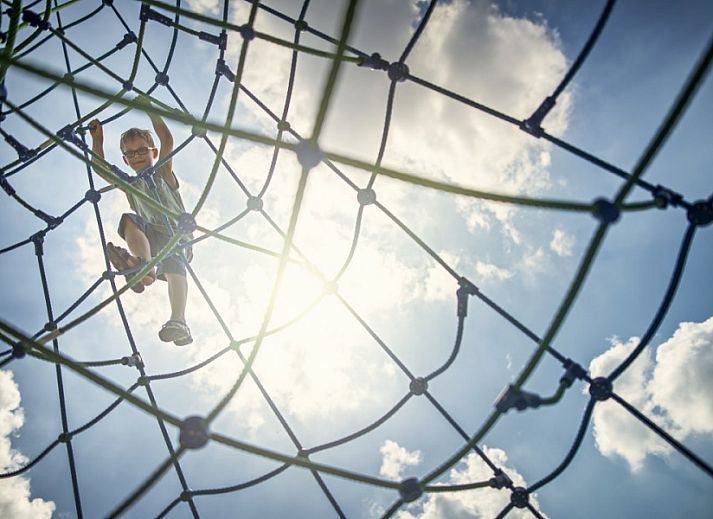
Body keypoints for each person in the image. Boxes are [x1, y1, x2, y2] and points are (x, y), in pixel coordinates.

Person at [88, 99, 193, 346]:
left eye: (142, 150)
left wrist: (150, 109)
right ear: (125, 159)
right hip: (149, 235)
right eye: (131, 153)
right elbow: (100, 168)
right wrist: (97, 140)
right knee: (129, 220)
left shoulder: (163, 171)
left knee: (172, 261)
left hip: (176, 233)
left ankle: (179, 320)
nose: (137, 156)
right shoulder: (130, 183)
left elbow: (167, 140)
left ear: (152, 152)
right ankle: (144, 266)